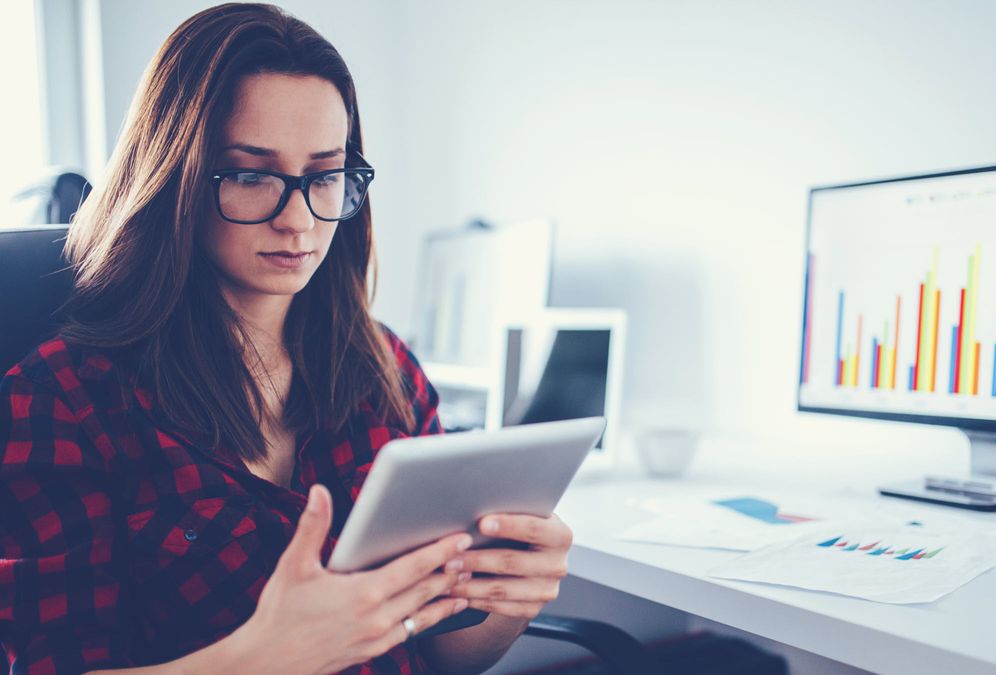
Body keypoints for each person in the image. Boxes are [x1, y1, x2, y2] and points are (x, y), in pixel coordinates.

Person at [0, 4, 572, 673]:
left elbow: (441, 655)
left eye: (325, 175)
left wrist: (512, 596)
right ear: (175, 177)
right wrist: (270, 655)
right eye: (250, 174)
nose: (299, 220)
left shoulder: (386, 372)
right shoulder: (63, 400)